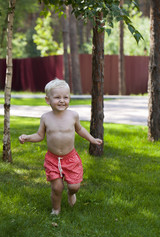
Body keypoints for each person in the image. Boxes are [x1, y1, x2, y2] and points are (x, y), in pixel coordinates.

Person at [19, 78, 103, 215]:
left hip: (70, 158)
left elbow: (80, 129)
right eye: (57, 97)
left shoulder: (73, 116)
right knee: (57, 188)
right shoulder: (46, 118)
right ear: (48, 100)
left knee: (74, 186)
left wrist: (92, 139)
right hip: (52, 159)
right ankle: (56, 209)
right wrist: (28, 138)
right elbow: (40, 136)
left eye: (66, 97)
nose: (62, 100)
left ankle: (71, 193)